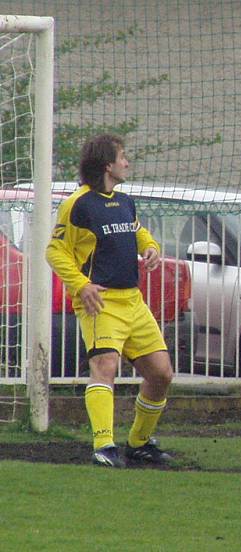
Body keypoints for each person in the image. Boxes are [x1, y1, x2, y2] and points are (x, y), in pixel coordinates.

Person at [46, 134, 174, 468]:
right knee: (105, 367)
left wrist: (151, 248)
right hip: (100, 302)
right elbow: (55, 250)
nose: (127, 162)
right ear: (108, 165)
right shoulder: (78, 203)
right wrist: (81, 285)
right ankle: (104, 445)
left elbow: (137, 232)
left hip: (133, 301)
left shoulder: (124, 200)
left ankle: (139, 443)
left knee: (161, 374)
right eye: (123, 156)